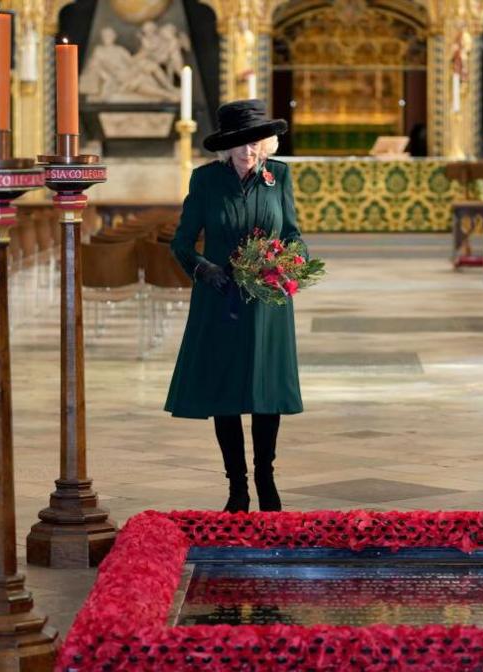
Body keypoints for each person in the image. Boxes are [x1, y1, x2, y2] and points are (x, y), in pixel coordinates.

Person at [164, 99, 305, 513]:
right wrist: (203, 268)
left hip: (268, 301)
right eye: (239, 144)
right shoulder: (205, 181)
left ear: (266, 143)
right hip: (221, 296)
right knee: (225, 392)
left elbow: (295, 234)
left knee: (266, 391)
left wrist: (289, 264)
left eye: (255, 142)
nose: (247, 151)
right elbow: (182, 243)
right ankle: (237, 486)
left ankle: (266, 477)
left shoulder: (279, 176)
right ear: (225, 147)